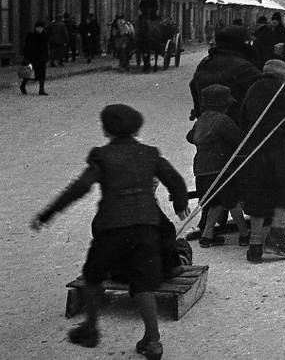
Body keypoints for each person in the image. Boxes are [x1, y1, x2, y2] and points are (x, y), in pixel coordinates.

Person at [30, 104, 190, 360]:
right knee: (144, 283)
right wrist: (180, 202)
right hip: (147, 228)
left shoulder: (102, 156)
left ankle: (91, 327)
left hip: (112, 228)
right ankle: (153, 340)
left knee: (93, 275)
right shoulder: (149, 153)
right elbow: (175, 179)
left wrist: (49, 213)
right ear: (137, 127)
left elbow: (80, 187)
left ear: (106, 129)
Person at [186, 25, 261, 240]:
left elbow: (193, 85)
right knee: (236, 172)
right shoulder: (243, 66)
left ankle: (207, 219)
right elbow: (260, 88)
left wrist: (200, 109)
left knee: (212, 173)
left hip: (208, 124)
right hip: (236, 125)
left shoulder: (206, 62)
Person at [239, 59, 285, 263]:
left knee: (258, 192)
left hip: (257, 148)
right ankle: (276, 237)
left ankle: (254, 246)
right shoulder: (284, 89)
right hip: (281, 148)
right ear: (284, 76)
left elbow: (243, 118)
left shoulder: (253, 89)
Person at [186, 84, 249, 248]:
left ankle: (207, 236)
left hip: (201, 169)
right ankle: (244, 234)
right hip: (221, 167)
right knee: (232, 201)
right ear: (223, 104)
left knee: (215, 202)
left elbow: (190, 137)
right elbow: (238, 139)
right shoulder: (223, 120)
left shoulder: (202, 120)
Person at [20, 21, 49, 96]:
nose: (40, 29)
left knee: (42, 73)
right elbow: (26, 46)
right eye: (38, 27)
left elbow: (46, 47)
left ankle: (41, 90)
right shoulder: (31, 35)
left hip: (41, 57)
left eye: (41, 28)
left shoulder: (44, 36)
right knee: (28, 73)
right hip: (31, 57)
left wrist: (46, 56)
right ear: (35, 28)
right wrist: (26, 57)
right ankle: (23, 85)